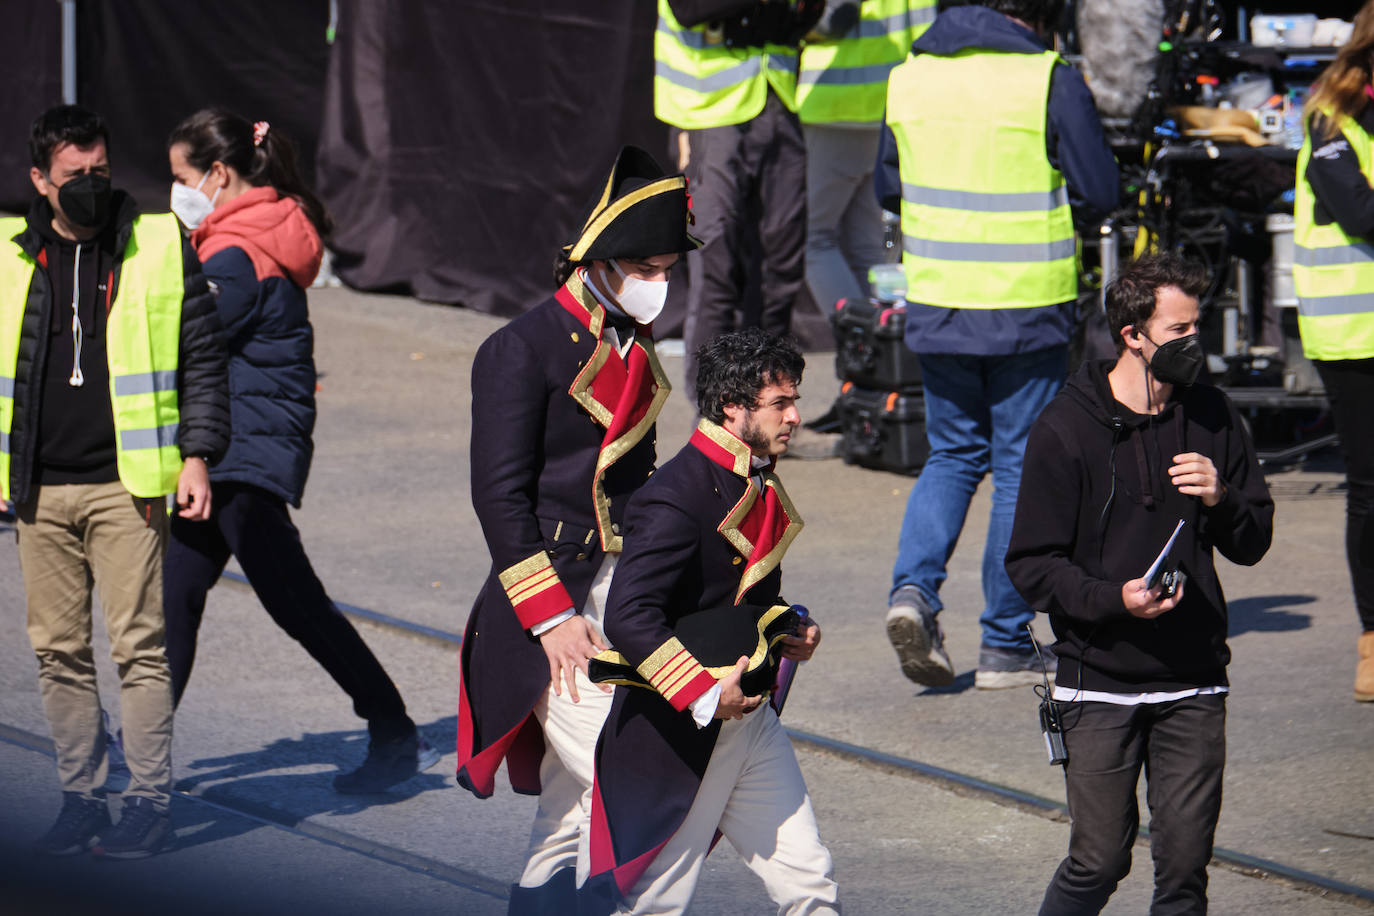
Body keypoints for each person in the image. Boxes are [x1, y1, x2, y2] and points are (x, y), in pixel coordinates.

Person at [159, 108, 437, 792]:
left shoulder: (235, 253)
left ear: (217, 174)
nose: (176, 191)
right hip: (233, 449)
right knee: (180, 598)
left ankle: (393, 730)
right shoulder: (249, 235)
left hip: (240, 454)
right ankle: (142, 745)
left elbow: (183, 342)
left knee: (289, 605)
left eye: (181, 177)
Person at [456, 145, 697, 913]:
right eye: (646, 268)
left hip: (616, 598)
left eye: (667, 268)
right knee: (632, 780)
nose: (658, 283)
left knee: (564, 819)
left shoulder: (635, 346)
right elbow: (498, 500)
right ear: (599, 262)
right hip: (548, 609)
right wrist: (552, 618)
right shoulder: (518, 350)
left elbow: (643, 488)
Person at [1005, 253, 1273, 914]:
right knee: (1099, 860)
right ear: (1132, 335)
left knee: (1184, 871)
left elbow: (1254, 540)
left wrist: (1224, 498)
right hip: (1099, 682)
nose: (1194, 345)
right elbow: (1031, 566)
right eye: (1178, 331)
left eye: (1196, 327)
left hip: (1194, 678)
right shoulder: (1064, 429)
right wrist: (1114, 598)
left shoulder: (1210, 414)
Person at [2, 104, 229, 858]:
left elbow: (201, 354)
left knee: (140, 647)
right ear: (40, 180)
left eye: (100, 171)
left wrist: (197, 452)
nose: (91, 187)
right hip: (38, 490)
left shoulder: (158, 242)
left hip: (127, 483)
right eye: (75, 177)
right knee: (58, 650)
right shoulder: (9, 254)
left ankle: (148, 802)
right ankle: (80, 799)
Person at [876, 0, 1119, 689]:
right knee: (1018, 466)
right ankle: (1005, 644)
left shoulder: (910, 76)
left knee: (951, 454)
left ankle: (913, 593)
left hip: (940, 300)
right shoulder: (1047, 77)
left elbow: (886, 186)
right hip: (1025, 305)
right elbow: (1099, 188)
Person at [584, 329, 837, 915]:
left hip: (751, 726)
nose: (796, 416)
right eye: (780, 403)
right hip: (680, 730)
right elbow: (628, 614)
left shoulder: (755, 475)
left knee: (810, 884)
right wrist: (701, 692)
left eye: (793, 400)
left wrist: (790, 625)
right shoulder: (677, 495)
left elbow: (740, 598)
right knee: (651, 904)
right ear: (733, 406)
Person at [655, 0, 823, 391]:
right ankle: (713, 420)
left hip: (777, 102)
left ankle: (767, 401)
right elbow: (689, 9)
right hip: (711, 115)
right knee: (716, 267)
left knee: (779, 268)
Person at [1293, 0, 1374, 702]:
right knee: (1372, 492)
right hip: (1357, 338)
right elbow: (1363, 212)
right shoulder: (1331, 119)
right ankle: (1373, 643)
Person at [797, 0, 933, 312]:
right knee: (865, 245)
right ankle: (877, 351)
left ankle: (858, 341)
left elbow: (821, 23)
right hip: (888, 107)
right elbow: (926, 32)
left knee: (813, 242)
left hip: (830, 107)